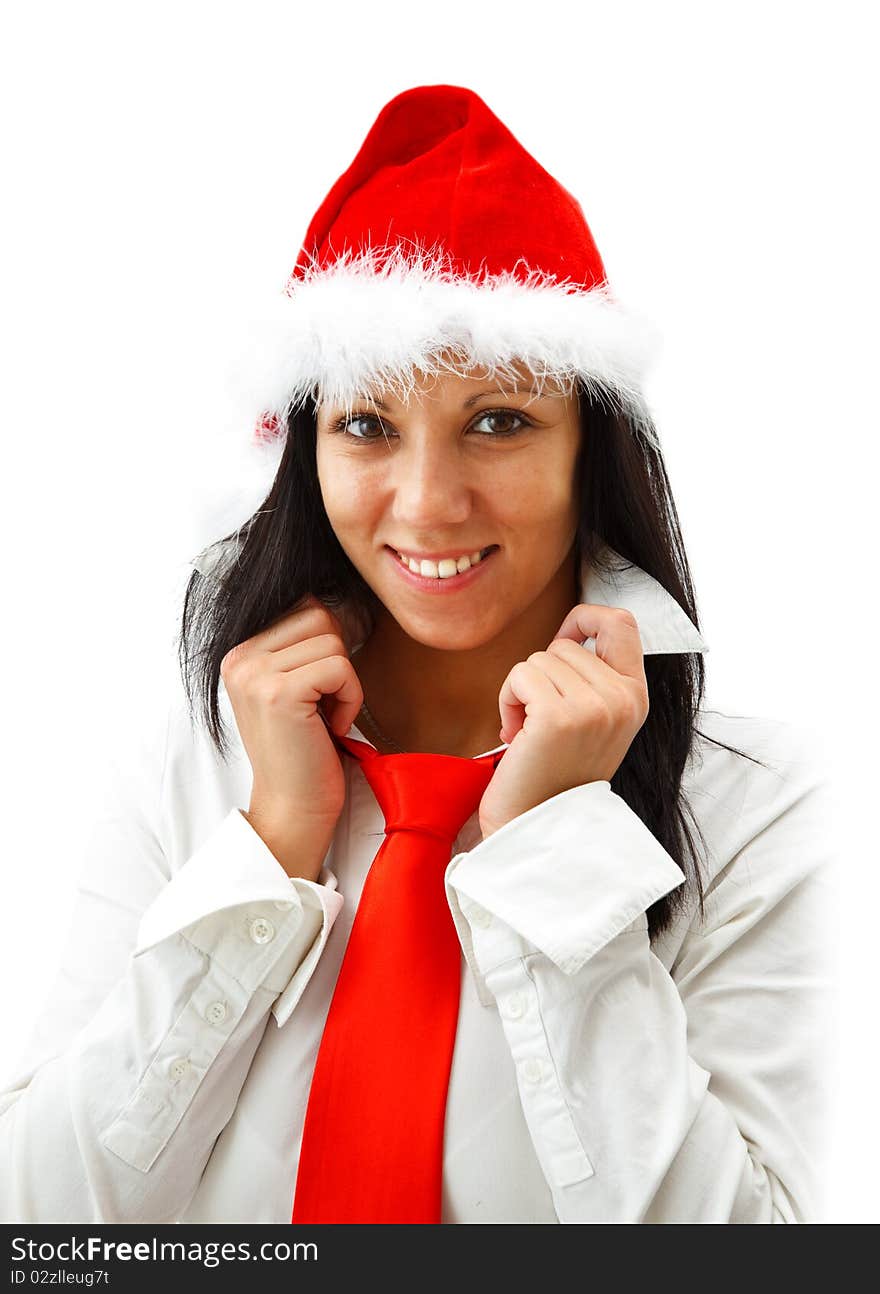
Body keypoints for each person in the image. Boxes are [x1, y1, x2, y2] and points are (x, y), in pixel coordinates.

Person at [0, 84, 836, 1224]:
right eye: (366, 425)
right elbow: (41, 1226)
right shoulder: (188, 773)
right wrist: (271, 849)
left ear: (592, 450)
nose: (429, 503)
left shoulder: (757, 804)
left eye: (499, 419)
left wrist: (557, 849)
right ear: (307, 450)